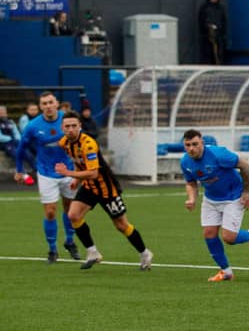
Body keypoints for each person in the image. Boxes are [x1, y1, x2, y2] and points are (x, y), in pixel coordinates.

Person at [54, 111, 153, 270]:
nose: (71, 129)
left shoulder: (88, 144)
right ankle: (92, 252)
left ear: (80, 126)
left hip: (107, 189)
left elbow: (93, 173)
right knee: (73, 215)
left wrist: (68, 174)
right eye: (67, 126)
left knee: (121, 225)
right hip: (89, 187)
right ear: (62, 128)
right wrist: (76, 179)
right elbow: (81, 164)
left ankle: (145, 253)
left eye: (74, 125)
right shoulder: (64, 143)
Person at [181, 129, 249, 282]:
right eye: (188, 145)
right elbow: (191, 183)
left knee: (229, 238)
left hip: (233, 196)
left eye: (195, 144)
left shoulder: (219, 155)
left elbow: (244, 166)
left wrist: (246, 192)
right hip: (211, 199)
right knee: (209, 234)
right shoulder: (185, 161)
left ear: (202, 143)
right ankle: (226, 272)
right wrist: (192, 199)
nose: (191, 148)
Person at [14, 92, 81, 263]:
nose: (48, 106)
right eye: (44, 103)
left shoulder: (67, 121)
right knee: (50, 212)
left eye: (51, 102)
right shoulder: (33, 126)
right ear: (40, 106)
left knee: (70, 211)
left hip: (68, 171)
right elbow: (21, 148)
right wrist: (20, 170)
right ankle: (52, 250)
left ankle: (70, 241)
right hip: (45, 172)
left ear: (57, 103)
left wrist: (82, 168)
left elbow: (81, 142)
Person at [198, 0, 227, 65]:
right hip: (207, 35)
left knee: (219, 52)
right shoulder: (204, 7)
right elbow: (201, 20)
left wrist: (222, 31)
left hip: (219, 35)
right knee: (208, 53)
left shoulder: (221, 7)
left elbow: (224, 20)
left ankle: (218, 65)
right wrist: (207, 27)